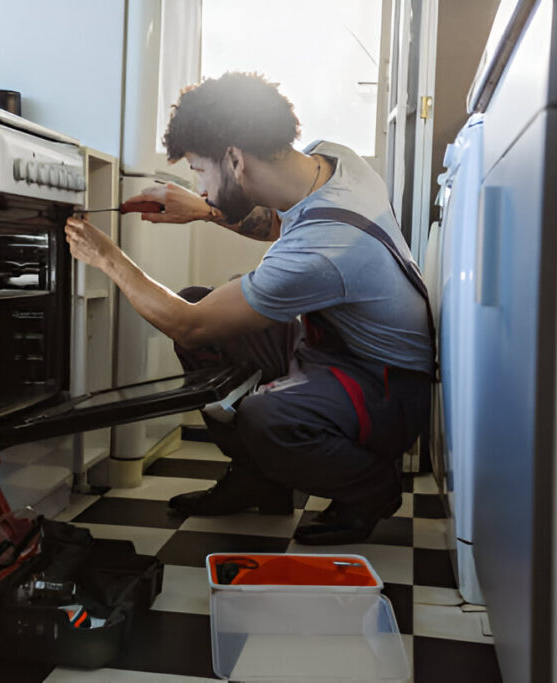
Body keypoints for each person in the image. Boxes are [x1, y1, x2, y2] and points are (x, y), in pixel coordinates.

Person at [64, 72, 433, 544]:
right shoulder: (336, 161)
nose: (199, 184)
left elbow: (188, 325)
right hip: (338, 351)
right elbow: (281, 225)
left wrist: (105, 257)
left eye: (199, 170)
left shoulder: (325, 249)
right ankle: (259, 476)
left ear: (235, 158)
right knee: (203, 300)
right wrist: (205, 209)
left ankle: (370, 488)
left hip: (385, 388)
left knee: (262, 412)